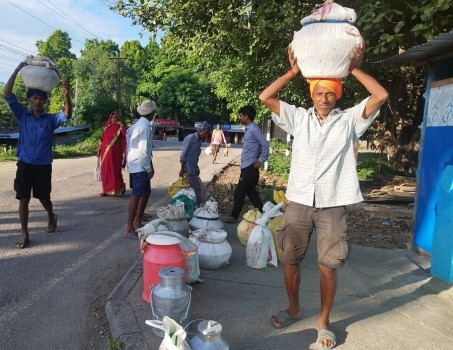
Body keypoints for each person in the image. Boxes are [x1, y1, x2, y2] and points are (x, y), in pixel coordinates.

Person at [258, 44, 389, 349]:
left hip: (332, 203)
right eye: (319, 93)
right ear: (312, 95)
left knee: (328, 266)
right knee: (290, 259)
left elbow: (380, 95)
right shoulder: (298, 118)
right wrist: (293, 71)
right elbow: (266, 97)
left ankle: (323, 322)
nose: (324, 98)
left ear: (337, 95)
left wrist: (352, 67)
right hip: (300, 200)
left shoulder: (349, 121)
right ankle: (293, 308)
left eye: (330, 93)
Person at [4, 61, 72, 249]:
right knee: (23, 198)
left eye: (41, 99)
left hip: (43, 165)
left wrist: (67, 97)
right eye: (34, 98)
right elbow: (7, 93)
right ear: (30, 100)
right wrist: (17, 70)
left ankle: (50, 214)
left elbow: (66, 115)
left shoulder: (50, 120)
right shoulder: (22, 115)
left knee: (43, 198)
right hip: (24, 163)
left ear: (44, 101)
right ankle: (25, 234)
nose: (37, 101)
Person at [225, 106, 269, 223]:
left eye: (241, 116)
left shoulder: (254, 129)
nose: (239, 118)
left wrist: (261, 160)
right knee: (251, 192)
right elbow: (258, 145)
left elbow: (265, 144)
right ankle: (263, 214)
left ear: (246, 116)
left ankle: (234, 216)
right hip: (247, 166)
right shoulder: (249, 129)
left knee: (239, 192)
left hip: (250, 166)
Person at [124, 100, 156, 239]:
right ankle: (129, 227)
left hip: (137, 164)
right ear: (151, 113)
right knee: (136, 195)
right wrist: (148, 168)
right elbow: (143, 151)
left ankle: (137, 221)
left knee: (146, 192)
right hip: (139, 165)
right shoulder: (144, 127)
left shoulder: (141, 125)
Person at [179, 121, 211, 207]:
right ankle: (196, 209)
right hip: (187, 169)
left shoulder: (199, 140)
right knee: (197, 189)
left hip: (193, 168)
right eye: (206, 132)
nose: (206, 134)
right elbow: (183, 154)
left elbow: (195, 155)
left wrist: (196, 167)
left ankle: (194, 208)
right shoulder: (191, 138)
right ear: (201, 130)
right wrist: (182, 169)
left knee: (196, 189)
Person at [97, 111, 126, 197]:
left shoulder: (120, 128)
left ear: (118, 118)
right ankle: (105, 190)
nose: (114, 119)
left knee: (115, 171)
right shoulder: (107, 128)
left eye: (116, 117)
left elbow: (126, 135)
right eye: (113, 117)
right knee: (105, 171)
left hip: (115, 154)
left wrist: (122, 125)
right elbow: (102, 140)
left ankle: (120, 187)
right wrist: (99, 150)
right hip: (104, 153)